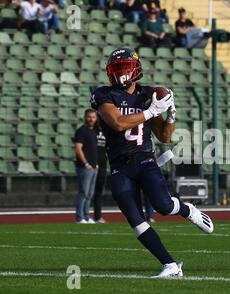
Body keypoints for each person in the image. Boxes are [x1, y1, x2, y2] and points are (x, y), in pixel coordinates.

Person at [91, 47, 214, 278]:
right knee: (136, 220)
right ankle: (169, 265)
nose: (120, 74)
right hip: (119, 164)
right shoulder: (104, 94)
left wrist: (171, 114)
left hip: (145, 159)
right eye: (116, 69)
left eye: (124, 67)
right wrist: (150, 112)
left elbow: (165, 137)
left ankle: (187, 209)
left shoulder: (148, 94)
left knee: (164, 207)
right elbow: (117, 123)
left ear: (136, 68)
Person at [74, 109, 99, 224]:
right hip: (85, 167)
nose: (91, 119)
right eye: (89, 117)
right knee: (83, 192)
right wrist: (86, 163)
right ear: (85, 117)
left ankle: (86, 216)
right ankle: (80, 217)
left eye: (93, 117)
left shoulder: (93, 131)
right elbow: (78, 149)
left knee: (89, 194)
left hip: (94, 167)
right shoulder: (81, 131)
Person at [92, 120, 107, 223]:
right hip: (92, 165)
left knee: (98, 192)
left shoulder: (107, 130)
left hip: (103, 165)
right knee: (87, 192)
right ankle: (83, 216)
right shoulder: (91, 131)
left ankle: (98, 216)